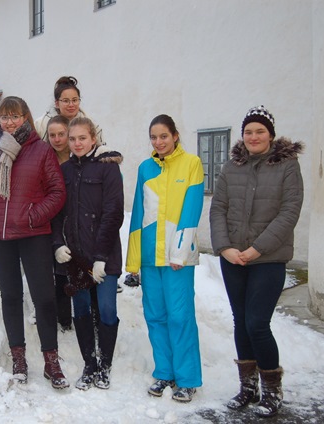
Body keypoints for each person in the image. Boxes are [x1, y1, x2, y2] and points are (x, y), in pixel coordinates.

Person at [0, 96, 69, 389]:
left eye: (15, 116)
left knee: (44, 298)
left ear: (25, 117)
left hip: (33, 234)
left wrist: (35, 215)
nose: (9, 122)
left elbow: (57, 192)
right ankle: (19, 359)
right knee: (10, 297)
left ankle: (51, 361)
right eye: (4, 116)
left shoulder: (41, 151)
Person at [209, 105, 304, 418]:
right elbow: (218, 208)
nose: (253, 136)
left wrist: (257, 249)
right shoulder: (231, 166)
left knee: (257, 324)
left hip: (268, 259)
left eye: (259, 131)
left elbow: (289, 212)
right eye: (248, 131)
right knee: (240, 323)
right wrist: (224, 247)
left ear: (271, 134)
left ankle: (272, 391)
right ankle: (248, 389)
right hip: (233, 258)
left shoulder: (288, 166)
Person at [126, 114, 204, 403]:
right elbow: (137, 215)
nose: (159, 142)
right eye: (154, 137)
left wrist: (180, 253)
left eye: (164, 136)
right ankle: (164, 372)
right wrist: (132, 262)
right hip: (149, 257)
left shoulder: (192, 164)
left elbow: (192, 209)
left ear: (175, 136)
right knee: (155, 317)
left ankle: (187, 379)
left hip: (177, 259)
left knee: (180, 317)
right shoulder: (146, 168)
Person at [52, 117, 123, 390]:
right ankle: (89, 364)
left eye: (82, 138)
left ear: (94, 139)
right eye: (72, 139)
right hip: (76, 258)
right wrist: (57, 244)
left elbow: (113, 212)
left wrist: (102, 256)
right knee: (80, 309)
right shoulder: (65, 171)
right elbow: (58, 213)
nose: (77, 143)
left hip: (104, 256)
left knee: (106, 309)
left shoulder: (108, 169)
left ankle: (105, 365)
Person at [46, 115, 73, 331]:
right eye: (52, 135)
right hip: (52, 218)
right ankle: (64, 319)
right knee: (59, 272)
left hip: (75, 219)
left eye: (61, 134)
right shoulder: (45, 157)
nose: (57, 139)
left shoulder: (78, 154)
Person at [34, 76, 103, 145]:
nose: (71, 105)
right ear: (57, 103)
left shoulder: (91, 125)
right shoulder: (41, 125)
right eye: (66, 101)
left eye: (74, 100)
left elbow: (102, 150)